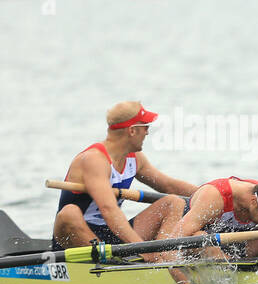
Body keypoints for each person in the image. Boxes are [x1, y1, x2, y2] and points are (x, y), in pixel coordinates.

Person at [52, 101, 196, 259]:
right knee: (69, 213)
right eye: (145, 127)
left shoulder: (135, 158)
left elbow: (169, 186)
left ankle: (164, 260)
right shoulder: (95, 160)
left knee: (173, 202)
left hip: (111, 234)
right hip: (75, 237)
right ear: (132, 130)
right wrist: (142, 249)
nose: (147, 132)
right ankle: (131, 261)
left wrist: (212, 192)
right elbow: (109, 210)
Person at [162, 176, 258, 259]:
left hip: (238, 247)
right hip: (203, 247)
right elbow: (174, 242)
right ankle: (225, 270)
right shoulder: (214, 197)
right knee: (204, 238)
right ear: (253, 201)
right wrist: (184, 283)